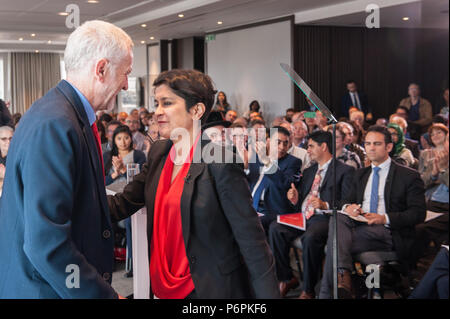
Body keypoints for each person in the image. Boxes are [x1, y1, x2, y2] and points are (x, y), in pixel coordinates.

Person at [107, 69, 279, 299]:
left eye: (167, 103)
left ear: (196, 110)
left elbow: (252, 242)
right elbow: (124, 202)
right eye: (156, 103)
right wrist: (69, 206)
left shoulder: (220, 160)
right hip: (160, 284)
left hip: (205, 288)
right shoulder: (160, 151)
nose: (157, 112)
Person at [0, 20, 133, 298]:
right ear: (101, 69)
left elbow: (82, 205)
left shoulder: (60, 113)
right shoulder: (57, 124)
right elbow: (46, 243)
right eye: (125, 74)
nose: (126, 84)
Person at [319, 125, 426, 299]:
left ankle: (336, 285)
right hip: (359, 225)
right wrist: (350, 208)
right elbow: (344, 201)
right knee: (338, 218)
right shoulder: (360, 174)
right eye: (368, 144)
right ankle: (344, 279)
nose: (371, 148)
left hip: (388, 231)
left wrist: (384, 218)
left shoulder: (408, 176)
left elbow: (418, 213)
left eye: (376, 143)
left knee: (333, 244)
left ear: (389, 147)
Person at [269, 131, 354, 299]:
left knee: (310, 237)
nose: (307, 150)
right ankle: (286, 277)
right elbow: (299, 195)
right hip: (302, 216)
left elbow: (348, 201)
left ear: (323, 147)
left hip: (325, 217)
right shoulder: (309, 170)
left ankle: (308, 290)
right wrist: (294, 197)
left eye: (311, 146)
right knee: (275, 228)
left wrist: (326, 205)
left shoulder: (344, 171)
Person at [246, 126, 302, 234]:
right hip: (251, 206)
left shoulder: (293, 162)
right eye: (278, 142)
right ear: (268, 141)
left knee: (251, 224)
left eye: (285, 143)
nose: (282, 147)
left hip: (272, 211)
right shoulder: (256, 158)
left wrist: (267, 162)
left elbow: (286, 183)